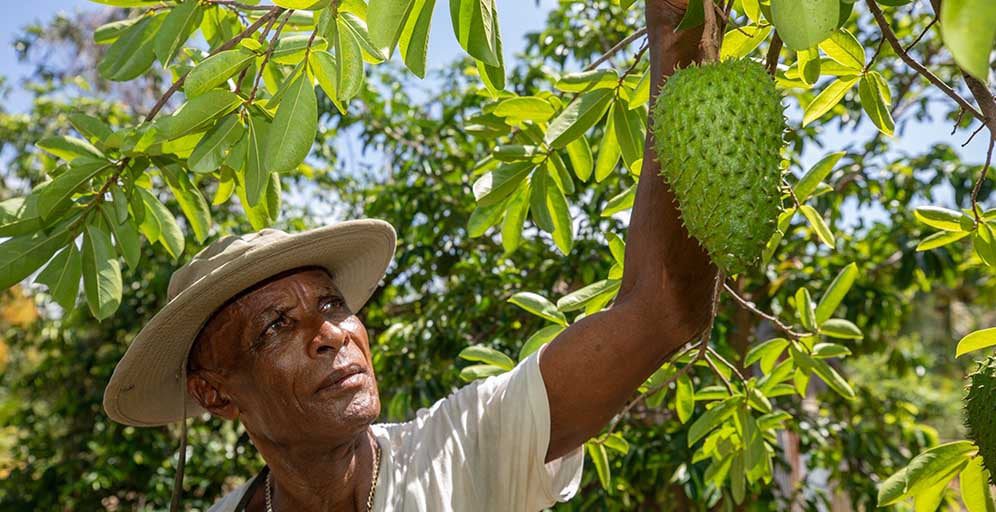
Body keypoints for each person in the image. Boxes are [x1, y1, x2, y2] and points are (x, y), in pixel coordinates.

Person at [102, 1, 712, 510]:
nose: (331, 335)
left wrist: (678, 33)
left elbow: (662, 309)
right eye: (276, 325)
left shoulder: (465, 450)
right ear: (214, 394)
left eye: (332, 304)